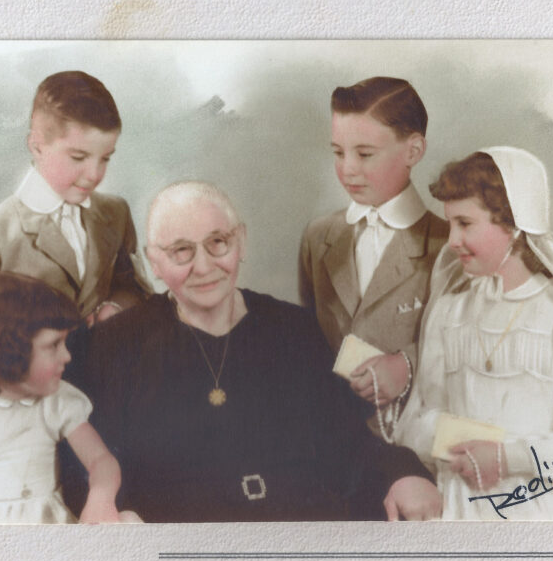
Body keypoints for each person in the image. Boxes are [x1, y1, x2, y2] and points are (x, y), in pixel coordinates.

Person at [61, 181, 441, 522]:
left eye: (217, 243)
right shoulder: (114, 345)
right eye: (181, 251)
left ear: (240, 242)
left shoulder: (294, 330)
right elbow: (81, 462)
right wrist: (118, 512)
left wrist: (401, 474)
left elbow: (346, 442)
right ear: (154, 262)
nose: (204, 266)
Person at [394, 147, 553, 520]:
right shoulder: (449, 313)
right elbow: (418, 421)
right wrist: (463, 445)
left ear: (515, 226)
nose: (452, 240)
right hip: (459, 509)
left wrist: (508, 457)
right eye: (450, 224)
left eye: (465, 223)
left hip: (541, 512)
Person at [0, 70, 151, 364]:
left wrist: (114, 307)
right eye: (78, 157)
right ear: (37, 146)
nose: (94, 174)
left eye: (105, 158)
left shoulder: (115, 213)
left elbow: (136, 290)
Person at [0, 273, 138, 525]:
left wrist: (100, 497)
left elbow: (101, 460)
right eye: (54, 345)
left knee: (128, 521)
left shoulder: (55, 402)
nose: (67, 356)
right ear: (10, 352)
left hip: (49, 527)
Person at [298, 77, 448, 437]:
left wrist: (407, 365)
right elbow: (309, 338)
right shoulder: (319, 236)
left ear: (413, 151)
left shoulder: (448, 244)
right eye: (338, 153)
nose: (348, 168)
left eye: (365, 154)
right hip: (331, 438)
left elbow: (469, 345)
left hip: (413, 439)